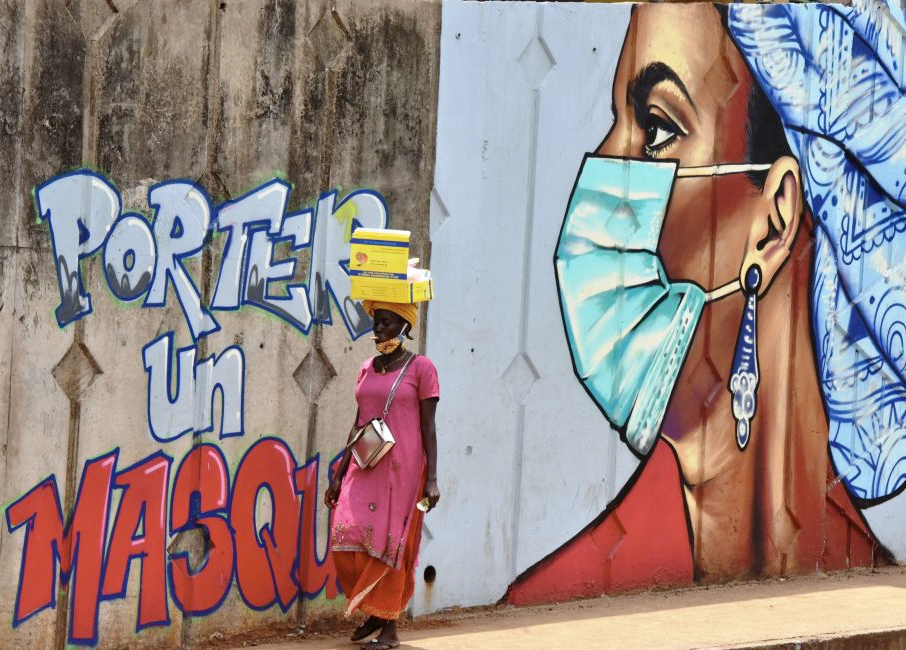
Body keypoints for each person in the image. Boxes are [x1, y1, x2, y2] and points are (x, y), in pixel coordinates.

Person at [516, 0, 906, 599]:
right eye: (617, 122)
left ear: (773, 223)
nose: (604, 172)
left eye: (655, 128)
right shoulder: (548, 602)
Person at [324, 300, 440, 650]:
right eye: (375, 322)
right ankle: (374, 610)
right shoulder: (366, 368)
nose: (377, 329)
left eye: (385, 322)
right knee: (346, 536)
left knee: (390, 543)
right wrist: (339, 473)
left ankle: (389, 629)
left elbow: (429, 429)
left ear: (403, 325)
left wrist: (432, 479)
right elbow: (358, 422)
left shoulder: (422, 368)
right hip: (365, 463)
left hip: (403, 469)